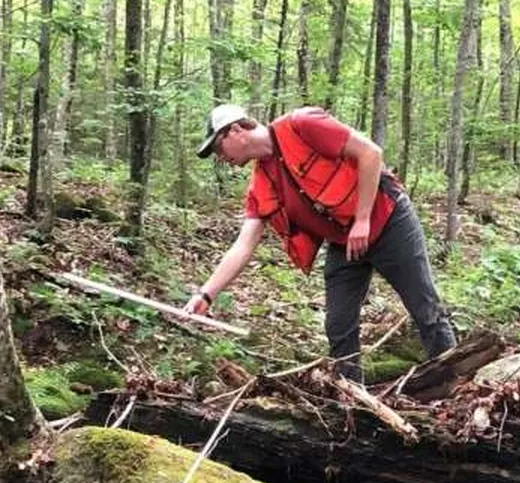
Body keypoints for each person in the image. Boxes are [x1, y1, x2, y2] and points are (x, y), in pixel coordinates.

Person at [183, 103, 456, 382]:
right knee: (339, 325)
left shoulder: (302, 124)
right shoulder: (261, 186)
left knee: (425, 307)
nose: (220, 157)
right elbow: (243, 245)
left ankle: (455, 383)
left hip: (388, 219)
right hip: (344, 240)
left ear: (235, 130)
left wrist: (362, 219)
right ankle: (352, 394)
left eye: (218, 148)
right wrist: (205, 295)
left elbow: (370, 153)